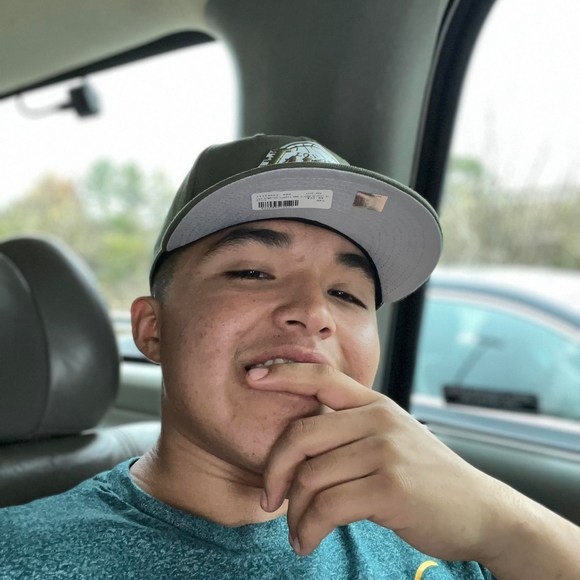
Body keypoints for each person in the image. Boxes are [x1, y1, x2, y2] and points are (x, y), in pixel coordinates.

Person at [1, 135, 579, 579]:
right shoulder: (22, 556)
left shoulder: (438, 522)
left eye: (347, 294)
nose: (314, 312)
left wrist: (505, 525)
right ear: (153, 330)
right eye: (252, 272)